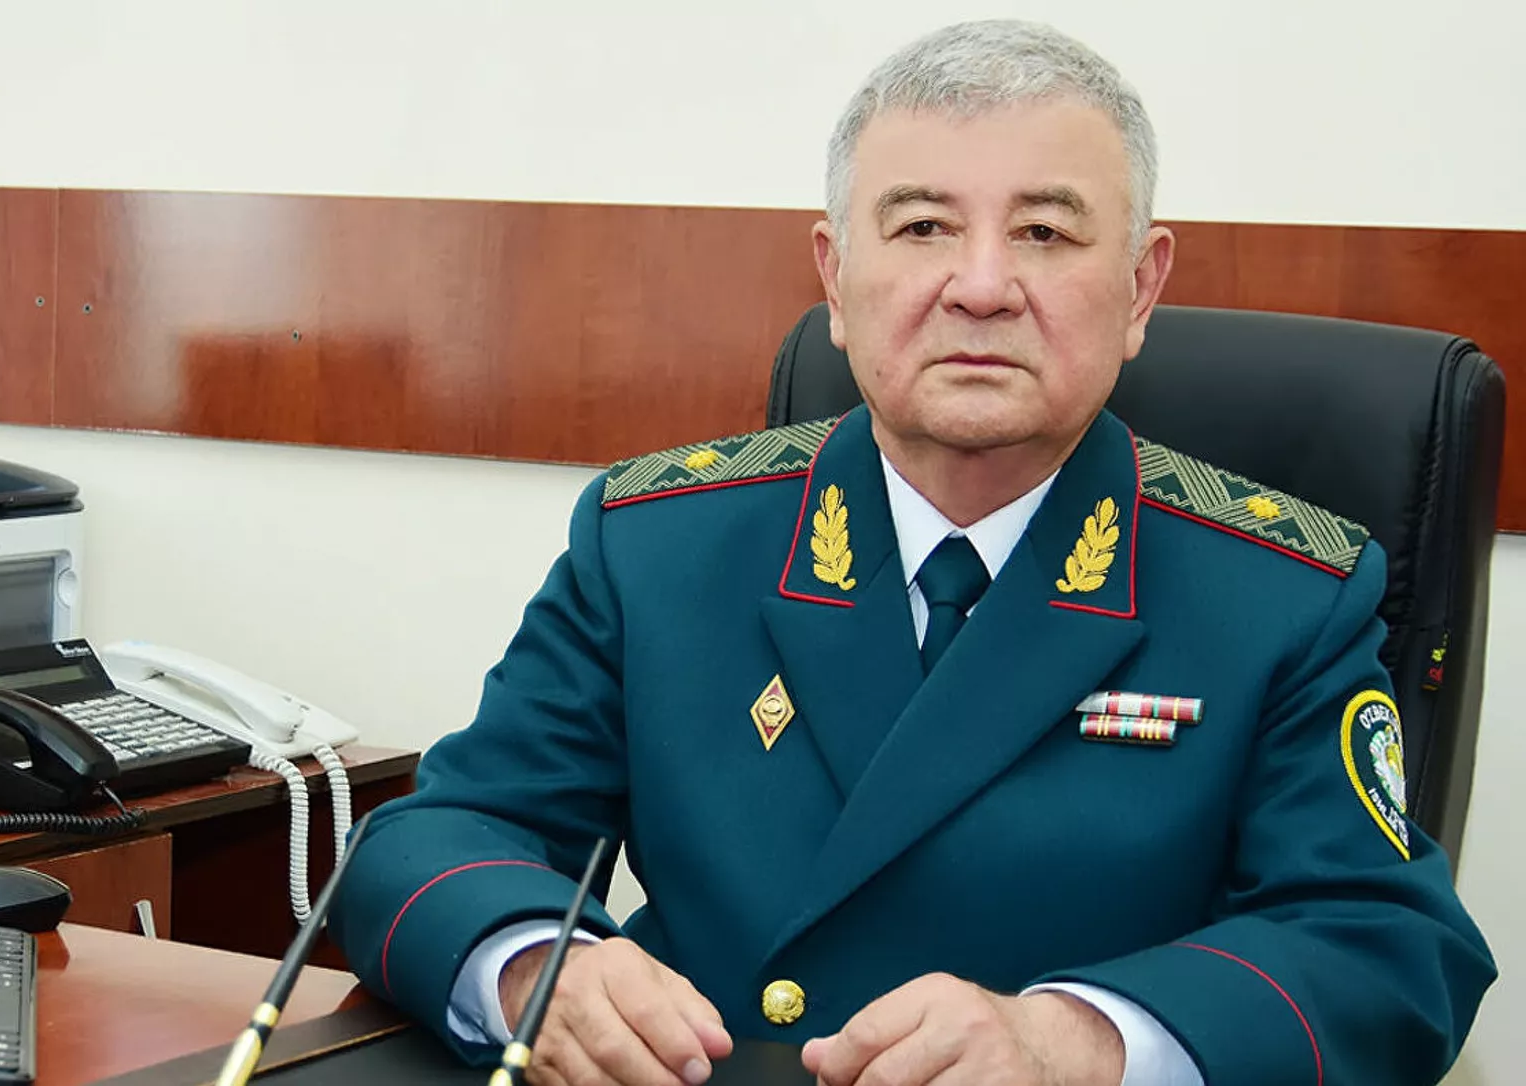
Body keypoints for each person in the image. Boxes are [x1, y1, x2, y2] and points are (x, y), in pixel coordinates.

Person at [329, 19, 1494, 1086]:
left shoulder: (1280, 593)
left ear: (1141, 289)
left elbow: (1385, 949)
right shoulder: (658, 543)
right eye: (923, 226)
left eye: (1045, 232)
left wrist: (1076, 1042)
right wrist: (535, 966)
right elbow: (434, 837)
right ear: (836, 277)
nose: (981, 288)